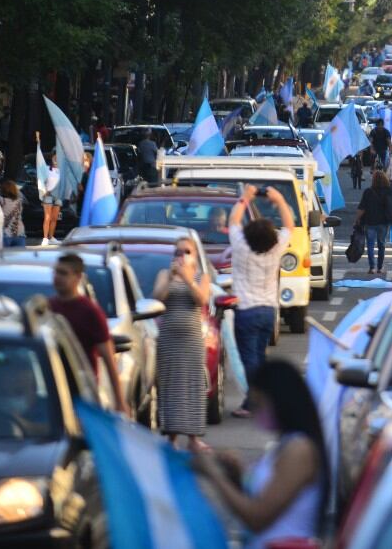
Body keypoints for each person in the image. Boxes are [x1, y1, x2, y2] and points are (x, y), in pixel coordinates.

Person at [192, 360, 329, 547]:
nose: (257, 413)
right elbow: (258, 503)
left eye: (260, 404)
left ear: (280, 401)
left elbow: (257, 518)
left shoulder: (299, 450)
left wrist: (214, 476)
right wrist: (236, 477)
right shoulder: (285, 444)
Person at [227, 184, 293, 420]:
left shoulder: (242, 248)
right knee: (260, 355)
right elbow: (289, 226)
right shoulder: (276, 249)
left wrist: (245, 198)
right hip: (268, 310)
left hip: (246, 310)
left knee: (249, 360)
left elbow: (233, 222)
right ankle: (256, 399)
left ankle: (257, 401)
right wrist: (280, 201)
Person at [151, 238, 212, 450]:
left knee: (192, 387)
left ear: (194, 254)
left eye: (187, 251)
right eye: (178, 252)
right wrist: (171, 277)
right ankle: (172, 437)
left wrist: (188, 279)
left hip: (192, 340)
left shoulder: (201, 276)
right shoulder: (164, 274)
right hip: (169, 339)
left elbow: (202, 299)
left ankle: (193, 438)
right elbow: (158, 297)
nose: (181, 255)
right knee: (170, 388)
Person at [48, 254, 126, 415]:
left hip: (83, 396)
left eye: (63, 273)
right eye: (56, 272)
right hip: (53, 393)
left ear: (78, 277)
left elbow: (109, 360)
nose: (57, 277)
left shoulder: (91, 312)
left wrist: (120, 402)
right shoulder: (48, 308)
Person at [355, 171, 392, 275]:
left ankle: (372, 267)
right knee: (381, 244)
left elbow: (362, 208)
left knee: (370, 245)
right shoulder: (389, 191)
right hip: (383, 222)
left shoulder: (368, 192)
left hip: (370, 222)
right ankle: (380, 267)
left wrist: (357, 219)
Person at [41, 148, 63, 245]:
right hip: (48, 195)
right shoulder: (46, 169)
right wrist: (44, 190)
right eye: (55, 156)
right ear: (52, 157)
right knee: (47, 217)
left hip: (58, 196)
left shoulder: (62, 171)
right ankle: (45, 238)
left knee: (54, 218)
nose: (56, 159)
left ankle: (51, 237)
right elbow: (42, 181)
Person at [0, 180, 25, 248]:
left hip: (5, 233)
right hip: (20, 233)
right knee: (20, 258)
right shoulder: (19, 201)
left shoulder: (0, 200)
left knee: (5, 257)